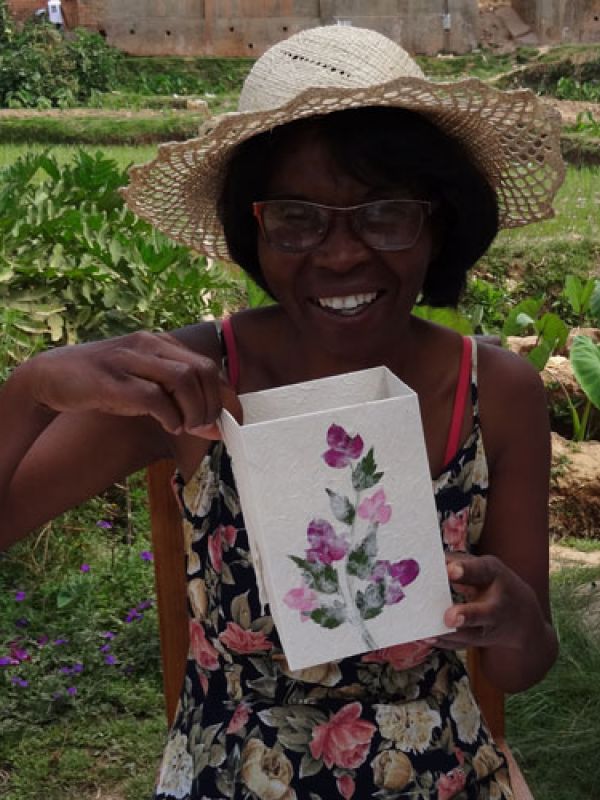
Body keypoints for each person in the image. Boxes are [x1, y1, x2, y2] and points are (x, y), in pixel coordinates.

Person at [0, 25, 564, 800]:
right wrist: (31, 387)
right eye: (298, 218)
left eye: (385, 214)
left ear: (438, 222)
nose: (339, 255)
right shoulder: (192, 381)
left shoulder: (494, 389)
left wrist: (511, 617)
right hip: (232, 776)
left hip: (439, 775)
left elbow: (521, 667)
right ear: (253, 227)